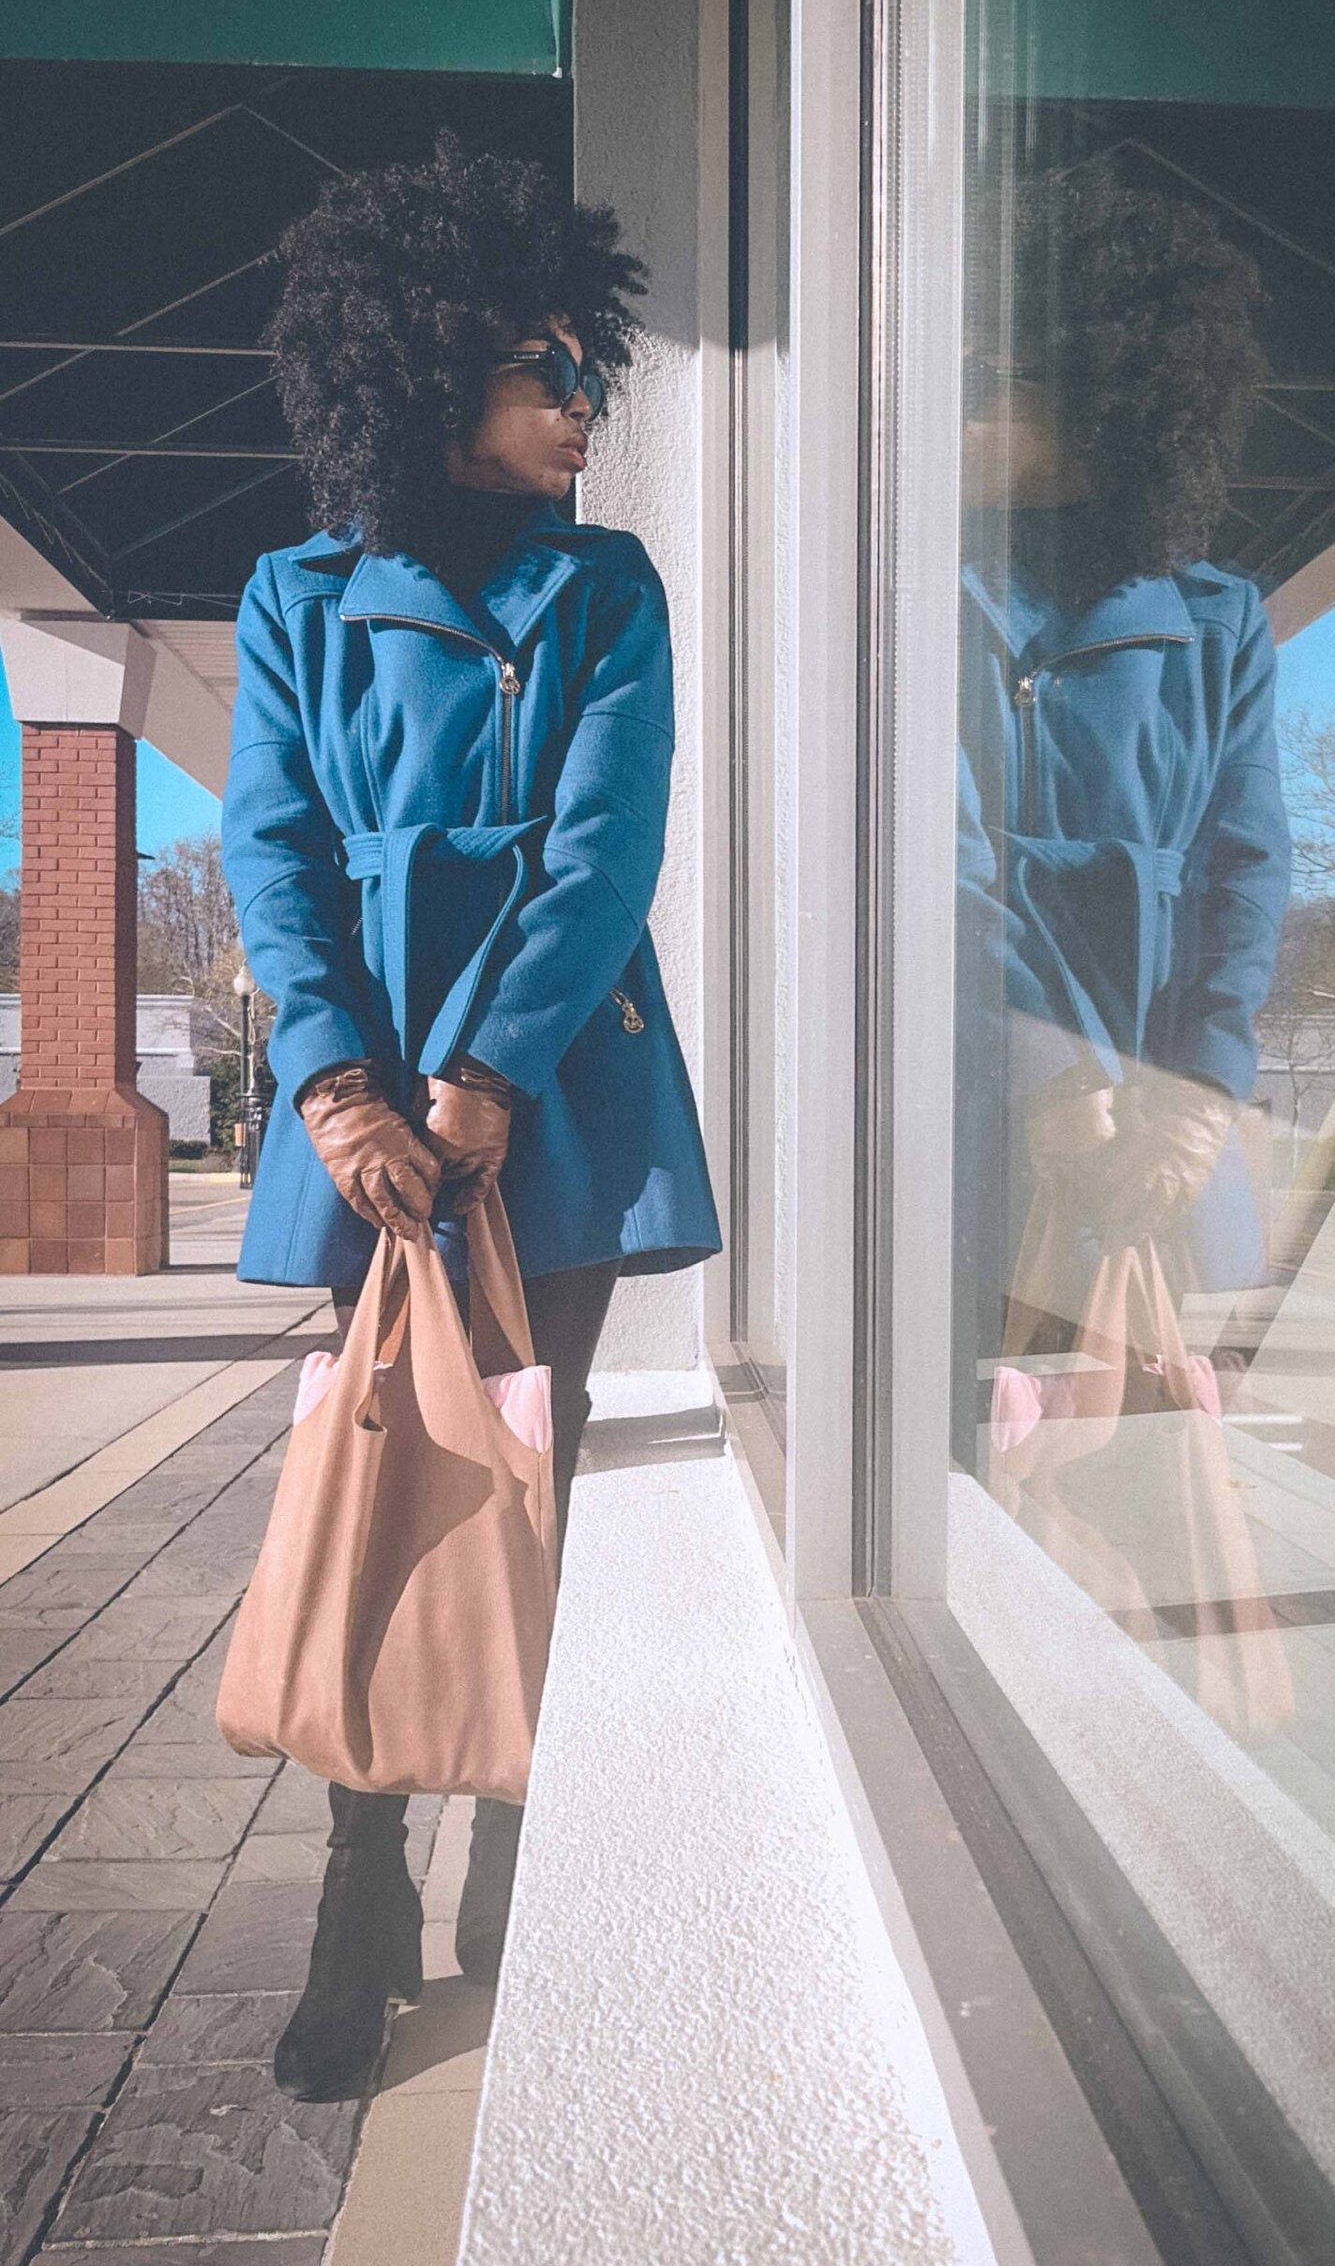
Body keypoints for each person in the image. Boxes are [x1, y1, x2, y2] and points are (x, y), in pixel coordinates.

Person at [220, 133, 720, 2101]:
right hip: (362, 1114)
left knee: (536, 1471)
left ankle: (526, 1850)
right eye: (542, 366)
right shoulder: (294, 598)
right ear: (424, 376)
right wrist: (337, 1082)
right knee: (380, 1483)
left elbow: (606, 850)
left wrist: (488, 1072)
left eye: (581, 361)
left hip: (555, 1095)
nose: (581, 396)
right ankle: (364, 1897)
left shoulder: (607, 590)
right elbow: (272, 852)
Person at [954, 160, 1291, 1394]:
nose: (960, 409)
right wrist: (1051, 1077)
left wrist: (1200, 1095)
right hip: (963, 1095)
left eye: (994, 382)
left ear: (1107, 399)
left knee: (1118, 1463)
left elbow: (1243, 871)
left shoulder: (1216, 623)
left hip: (1149, 1121)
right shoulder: (910, 589)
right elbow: (937, 865)